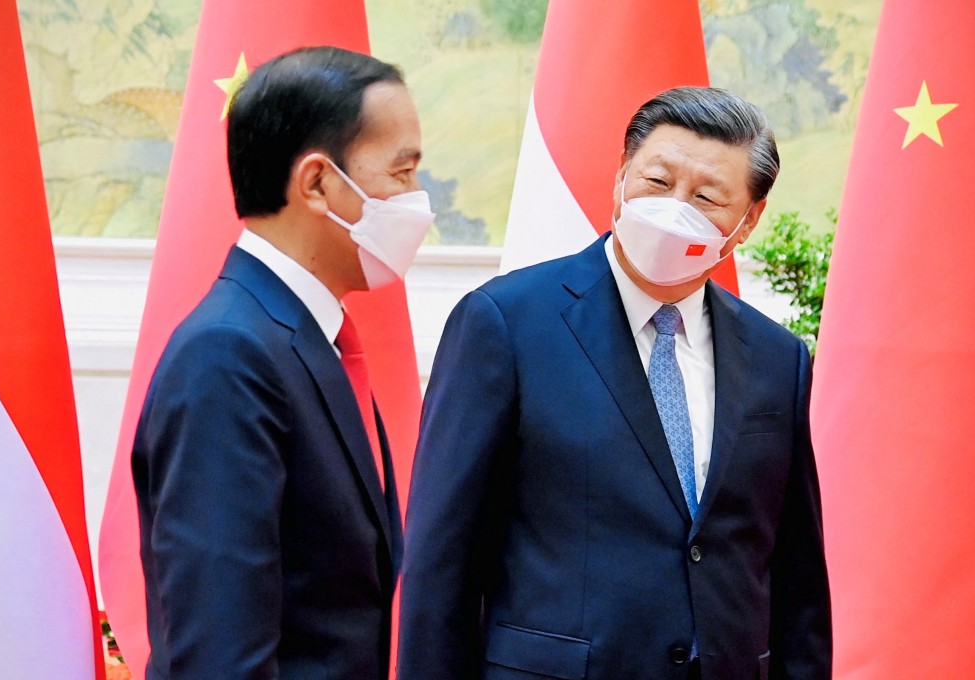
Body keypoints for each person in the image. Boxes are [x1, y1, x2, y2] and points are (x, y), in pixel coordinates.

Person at [397, 87, 831, 680]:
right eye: (657, 181)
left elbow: (796, 572)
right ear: (622, 177)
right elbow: (441, 562)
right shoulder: (505, 323)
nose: (676, 206)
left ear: (747, 222)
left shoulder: (778, 358)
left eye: (706, 197)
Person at [132, 46, 433, 680]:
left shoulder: (305, 337)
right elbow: (221, 652)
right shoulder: (229, 356)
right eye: (402, 173)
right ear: (319, 183)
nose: (417, 201)